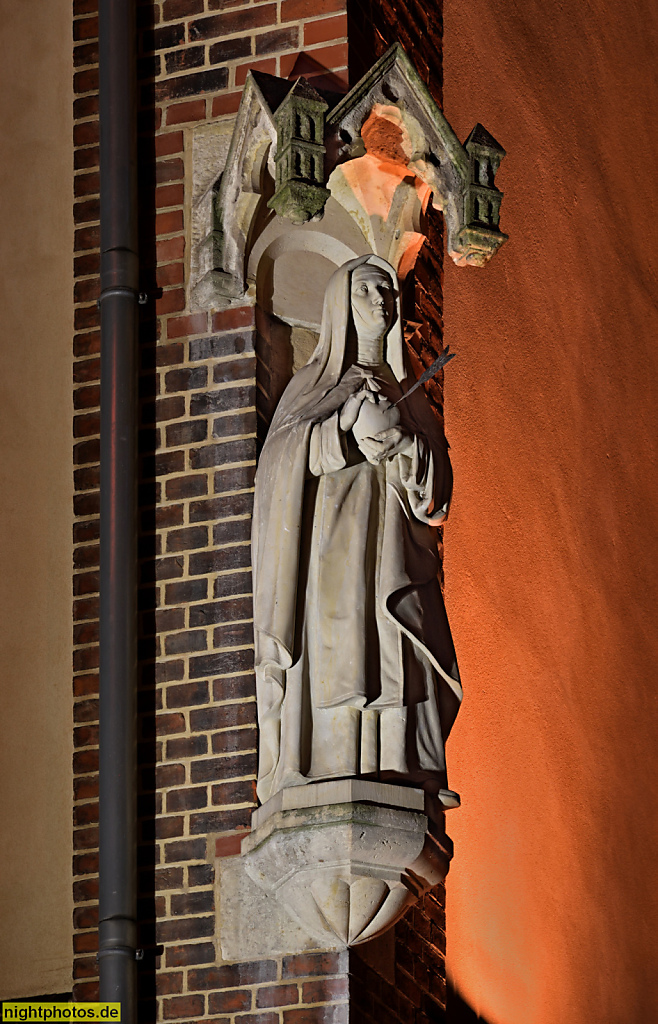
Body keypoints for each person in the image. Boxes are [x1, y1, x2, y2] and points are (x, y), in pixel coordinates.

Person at [252, 254, 462, 805]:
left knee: (397, 647)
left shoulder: (408, 396)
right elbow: (279, 467)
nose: (382, 302)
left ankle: (404, 768)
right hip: (337, 556)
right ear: (341, 305)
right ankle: (331, 767)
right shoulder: (314, 386)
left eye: (388, 293)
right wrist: (341, 429)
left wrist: (407, 447)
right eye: (368, 291)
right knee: (344, 653)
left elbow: (436, 495)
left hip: (396, 553)